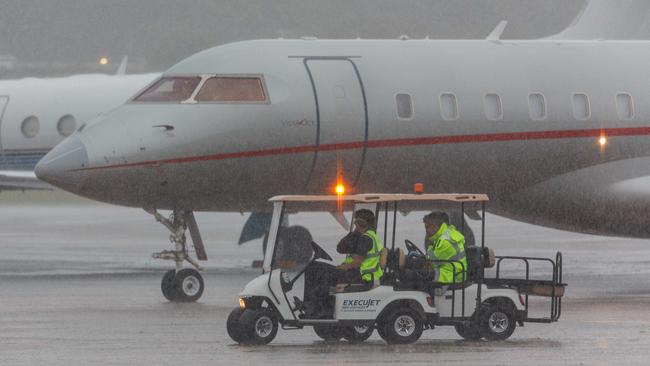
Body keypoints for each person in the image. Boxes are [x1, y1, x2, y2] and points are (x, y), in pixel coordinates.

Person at [336, 209, 384, 285]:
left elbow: (357, 263)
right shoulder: (371, 235)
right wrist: (354, 233)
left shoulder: (365, 239)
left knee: (329, 275)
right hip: (369, 275)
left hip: (364, 276)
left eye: (356, 222)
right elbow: (340, 249)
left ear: (361, 223)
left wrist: (344, 267)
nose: (355, 224)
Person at [423, 211, 467, 285]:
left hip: (453, 277)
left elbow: (432, 262)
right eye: (426, 227)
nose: (427, 230)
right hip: (448, 272)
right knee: (422, 273)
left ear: (437, 226)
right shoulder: (441, 237)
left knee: (420, 275)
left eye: (428, 226)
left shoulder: (446, 241)